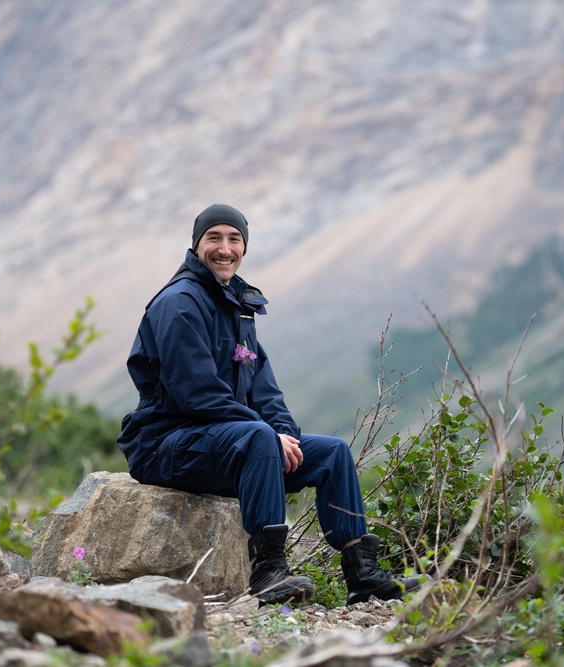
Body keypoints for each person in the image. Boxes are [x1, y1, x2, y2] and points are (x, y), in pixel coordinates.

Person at [117, 203, 421, 605]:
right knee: (259, 436)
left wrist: (287, 437)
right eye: (214, 238)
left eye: (234, 239)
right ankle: (269, 571)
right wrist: (267, 437)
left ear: (244, 246)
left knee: (332, 453)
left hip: (219, 443)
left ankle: (362, 574)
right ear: (196, 246)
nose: (225, 249)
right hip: (166, 446)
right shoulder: (180, 303)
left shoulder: (238, 307)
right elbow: (196, 393)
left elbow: (265, 392)